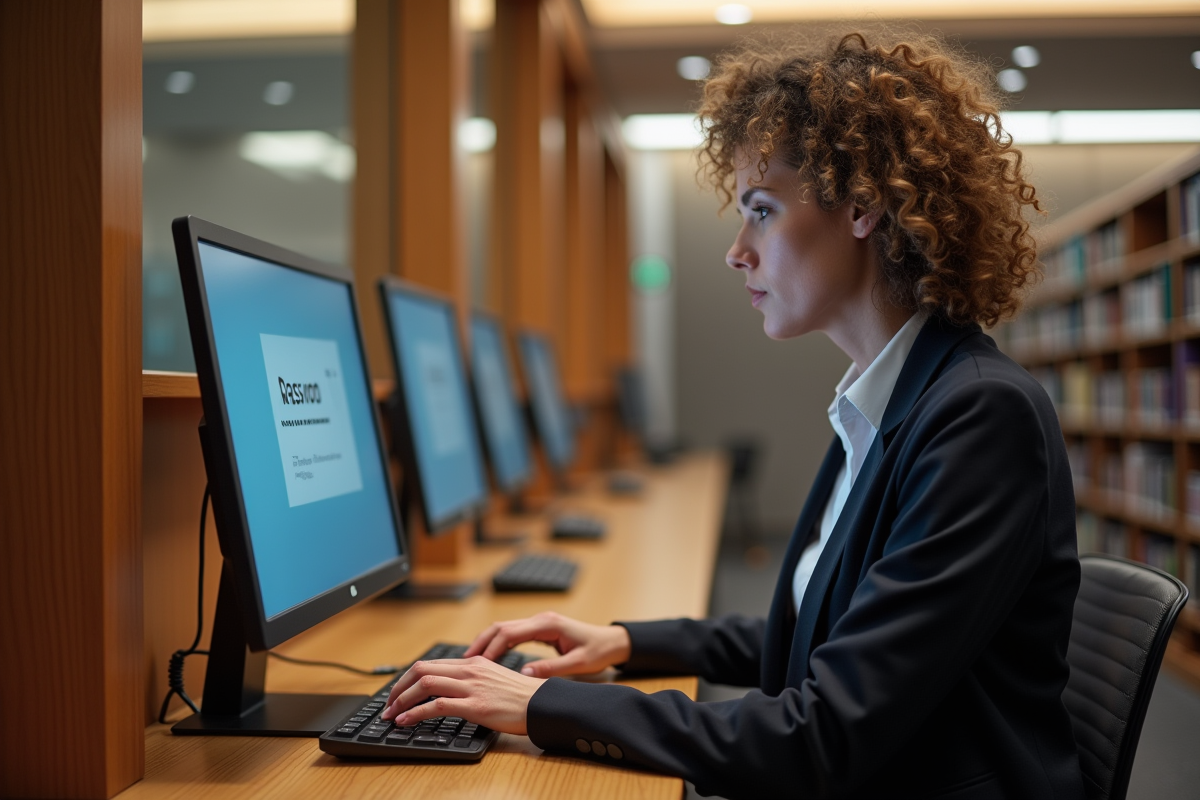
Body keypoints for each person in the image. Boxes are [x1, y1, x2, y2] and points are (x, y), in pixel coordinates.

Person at [382, 30, 1084, 800]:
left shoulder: (978, 415)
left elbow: (824, 736)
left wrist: (545, 704)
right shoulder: (890, 398)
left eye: (761, 211)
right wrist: (622, 641)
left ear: (862, 207)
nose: (736, 251)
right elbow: (826, 625)